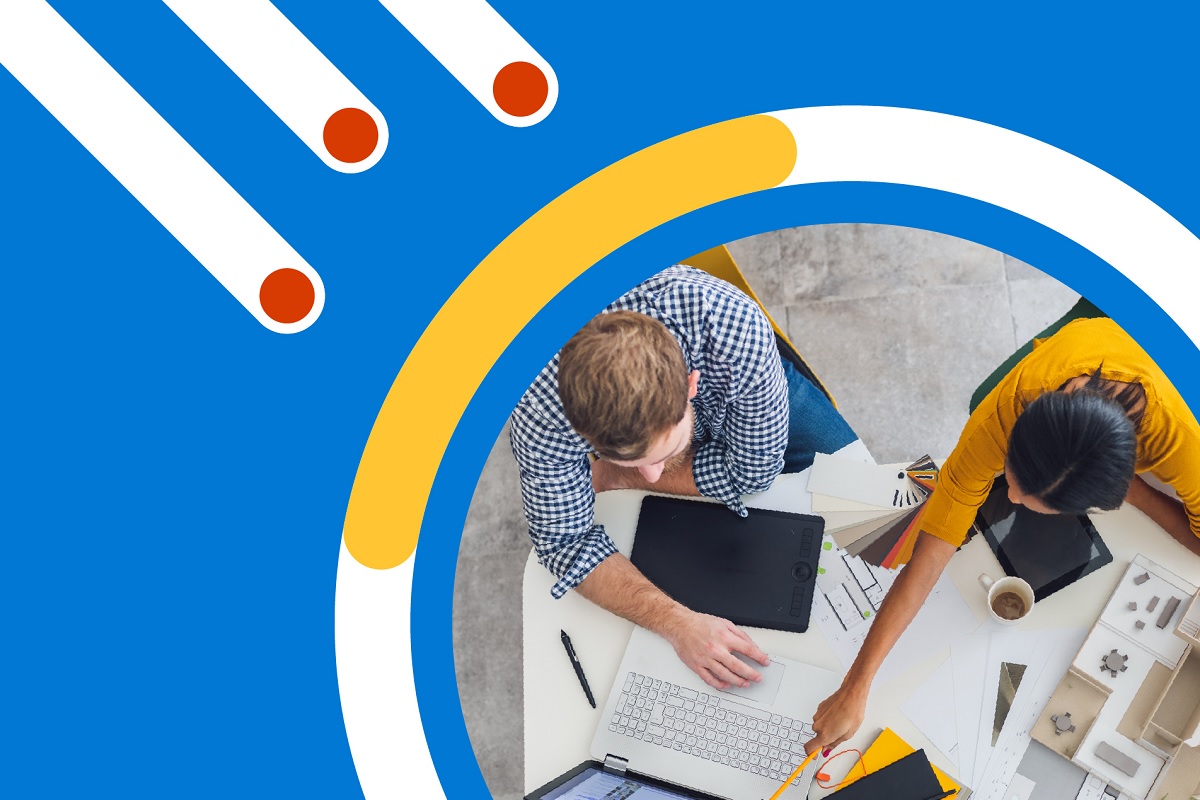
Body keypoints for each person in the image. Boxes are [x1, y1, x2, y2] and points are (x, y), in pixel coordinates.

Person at [805, 316, 1200, 756]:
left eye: (1030, 499)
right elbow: (931, 555)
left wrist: (1140, 495)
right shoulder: (1005, 412)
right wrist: (857, 686)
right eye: (1011, 476)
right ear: (1019, 432)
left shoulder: (1182, 444)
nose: (1008, 494)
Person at [510, 264, 856, 690]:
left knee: (858, 490)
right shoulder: (537, 407)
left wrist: (618, 474)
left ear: (691, 383)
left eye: (661, 455)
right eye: (631, 462)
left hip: (741, 385)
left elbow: (754, 473)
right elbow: (564, 544)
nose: (651, 476)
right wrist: (676, 623)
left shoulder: (731, 325)